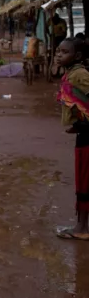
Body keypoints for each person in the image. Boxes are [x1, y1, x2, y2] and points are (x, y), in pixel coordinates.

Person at [54, 38, 89, 241]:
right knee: (83, 181)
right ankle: (82, 225)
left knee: (84, 182)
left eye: (64, 52)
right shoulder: (71, 73)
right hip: (83, 132)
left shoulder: (80, 75)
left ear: (76, 56)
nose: (59, 55)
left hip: (87, 136)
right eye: (58, 51)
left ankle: (82, 228)